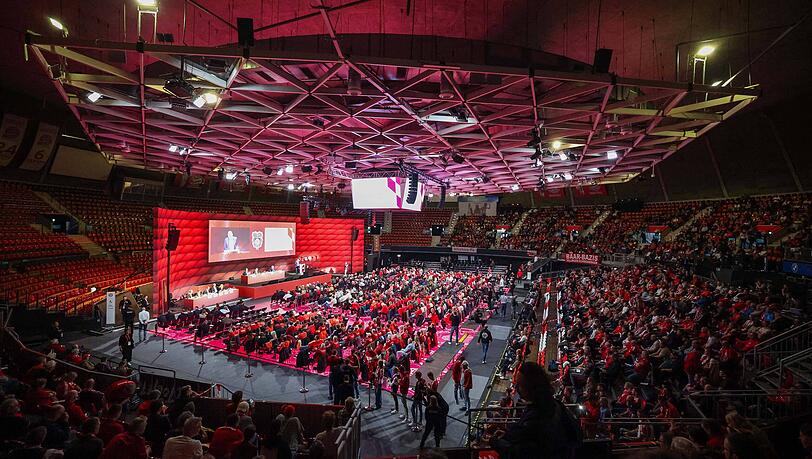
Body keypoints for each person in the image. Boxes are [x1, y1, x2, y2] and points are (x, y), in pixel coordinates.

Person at [490, 362, 580, 459]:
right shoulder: (555, 404)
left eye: (520, 385)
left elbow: (519, 453)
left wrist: (494, 442)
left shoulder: (536, 419)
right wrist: (509, 434)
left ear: (532, 388)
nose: (517, 389)